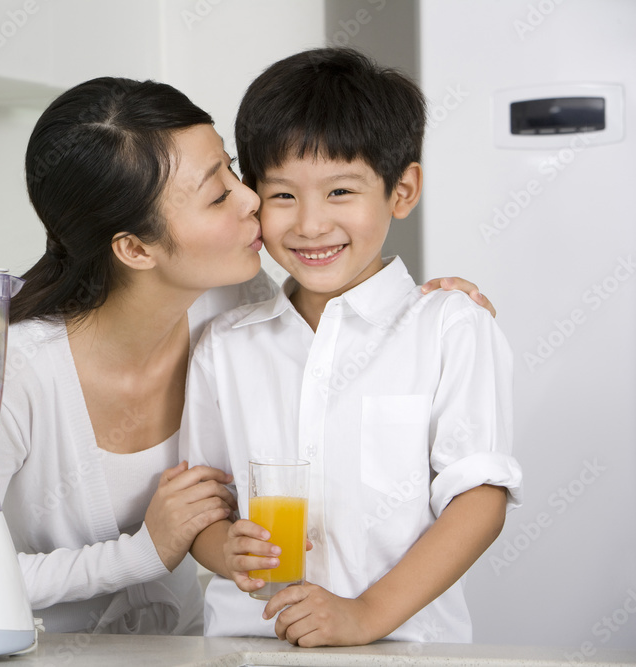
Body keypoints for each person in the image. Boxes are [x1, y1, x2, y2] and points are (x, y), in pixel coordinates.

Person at [0, 76, 497, 636]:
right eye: (218, 192)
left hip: (195, 646)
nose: (253, 198)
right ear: (135, 248)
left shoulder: (234, 302)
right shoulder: (9, 371)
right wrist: (152, 550)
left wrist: (437, 307)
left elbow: (349, 297)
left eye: (232, 169)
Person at [181, 47, 523, 646]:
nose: (310, 225)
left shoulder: (449, 327)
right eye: (283, 195)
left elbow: (480, 498)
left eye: (341, 192)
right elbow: (205, 509)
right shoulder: (224, 346)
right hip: (247, 647)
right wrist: (224, 551)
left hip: (406, 649)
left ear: (403, 190)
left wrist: (365, 614)